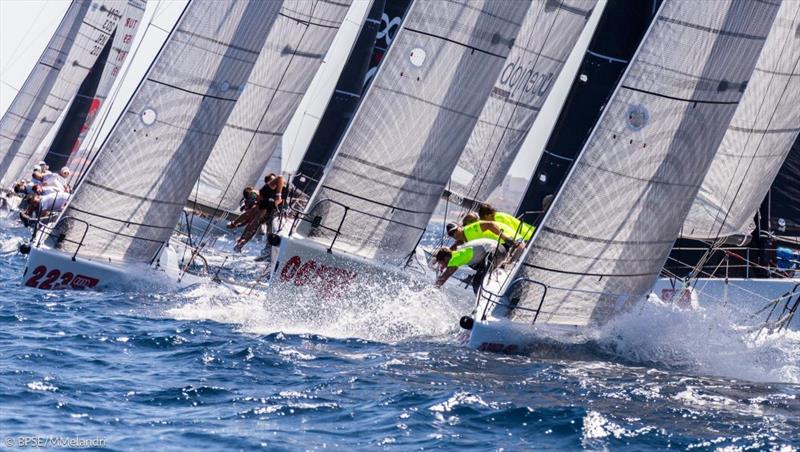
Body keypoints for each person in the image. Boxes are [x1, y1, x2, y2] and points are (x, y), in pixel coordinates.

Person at [433, 238, 507, 294]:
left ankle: (482, 302)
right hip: (500, 248)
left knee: (477, 282)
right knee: (476, 269)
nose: (441, 265)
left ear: (445, 258)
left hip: (496, 252)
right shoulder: (458, 252)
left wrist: (432, 290)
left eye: (441, 263)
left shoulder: (455, 259)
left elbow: (443, 278)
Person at [234, 173, 286, 252]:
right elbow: (251, 218)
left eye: (273, 180)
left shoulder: (269, 188)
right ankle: (241, 243)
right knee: (256, 221)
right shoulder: (262, 199)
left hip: (280, 213)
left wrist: (278, 195)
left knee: (260, 220)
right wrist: (236, 224)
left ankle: (242, 242)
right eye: (252, 198)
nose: (272, 182)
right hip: (272, 215)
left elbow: (280, 178)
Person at [445, 220, 517, 249]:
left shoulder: (469, 230)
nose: (454, 235)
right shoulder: (463, 238)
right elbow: (456, 246)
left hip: (507, 241)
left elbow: (490, 225)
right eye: (451, 234)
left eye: (455, 231)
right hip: (498, 245)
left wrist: (506, 239)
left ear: (460, 227)